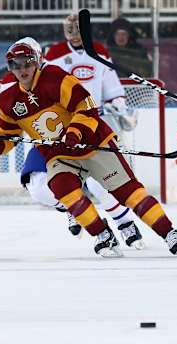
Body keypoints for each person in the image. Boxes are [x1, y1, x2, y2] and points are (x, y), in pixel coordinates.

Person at [0, 38, 177, 258]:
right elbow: (6, 143)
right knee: (62, 188)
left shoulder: (56, 78)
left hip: (94, 143)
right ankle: (103, 235)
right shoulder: (8, 99)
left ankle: (169, 233)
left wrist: (75, 132)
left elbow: (87, 106)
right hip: (59, 154)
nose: (22, 69)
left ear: (38, 61)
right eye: (15, 64)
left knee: (129, 193)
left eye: (27, 63)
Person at [20, 14, 142, 248]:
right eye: (70, 28)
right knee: (38, 186)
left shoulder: (98, 51)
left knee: (100, 181)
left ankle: (125, 223)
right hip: (55, 131)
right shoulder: (52, 55)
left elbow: (113, 89)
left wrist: (118, 106)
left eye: (78, 28)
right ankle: (72, 207)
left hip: (89, 126)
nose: (74, 32)